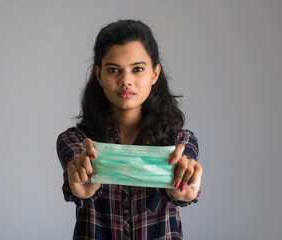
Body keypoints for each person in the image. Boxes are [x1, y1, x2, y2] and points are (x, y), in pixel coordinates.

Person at [57, 19, 202, 239]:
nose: (126, 81)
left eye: (137, 69)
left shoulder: (180, 143)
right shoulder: (74, 141)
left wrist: (185, 186)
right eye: (114, 70)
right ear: (99, 75)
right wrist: (79, 180)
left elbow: (186, 181)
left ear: (154, 73)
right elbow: (77, 176)